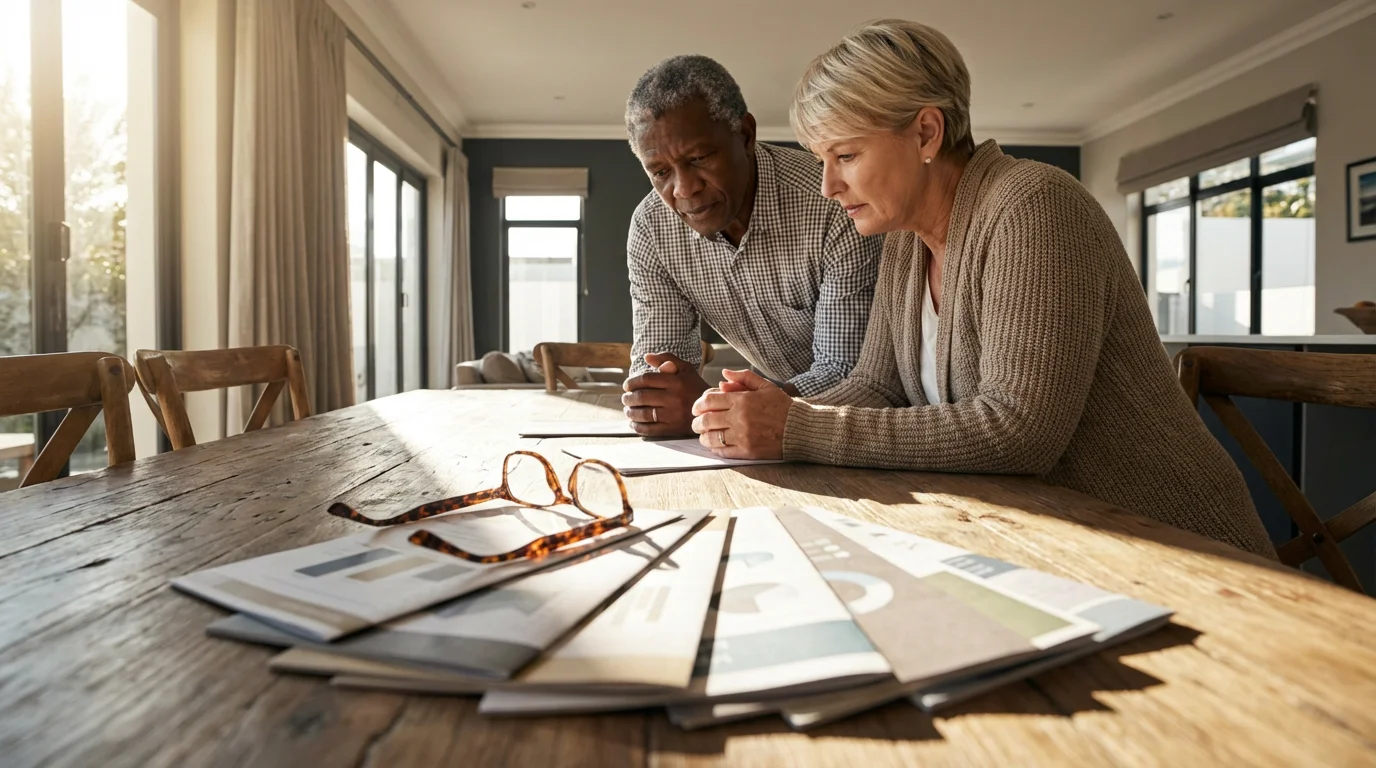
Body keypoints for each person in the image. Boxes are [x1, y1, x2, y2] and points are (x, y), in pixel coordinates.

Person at [689, 20, 1275, 558]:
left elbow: (1018, 430)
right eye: (821, 159)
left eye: (845, 155)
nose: (827, 185)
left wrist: (798, 427)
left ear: (925, 132)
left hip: (1180, 550)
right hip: (1058, 542)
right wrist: (772, 407)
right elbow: (877, 384)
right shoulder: (904, 240)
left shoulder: (1034, 205)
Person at [619, 54, 883, 438]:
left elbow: (849, 374)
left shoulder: (834, 202)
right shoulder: (651, 230)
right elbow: (660, 366)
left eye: (698, 158)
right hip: (770, 434)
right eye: (660, 172)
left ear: (745, 135)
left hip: (869, 428)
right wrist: (653, 400)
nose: (684, 189)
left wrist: (724, 409)